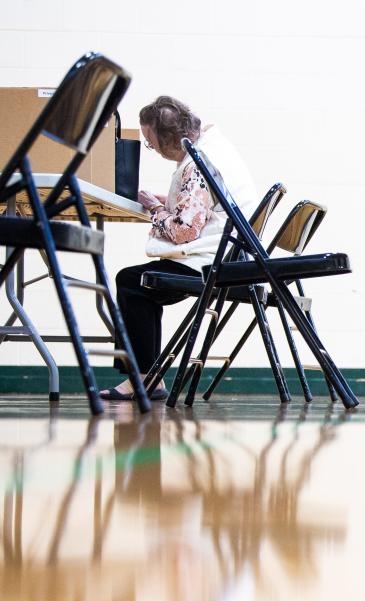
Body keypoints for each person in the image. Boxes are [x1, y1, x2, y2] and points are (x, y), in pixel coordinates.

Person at [101, 96, 256, 400]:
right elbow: (201, 209)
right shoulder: (215, 147)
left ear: (168, 138)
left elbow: (184, 231)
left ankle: (144, 378)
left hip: (213, 264)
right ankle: (149, 377)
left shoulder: (197, 163)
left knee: (133, 282)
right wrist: (168, 204)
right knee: (139, 283)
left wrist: (155, 209)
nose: (153, 149)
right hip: (233, 255)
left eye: (150, 141)